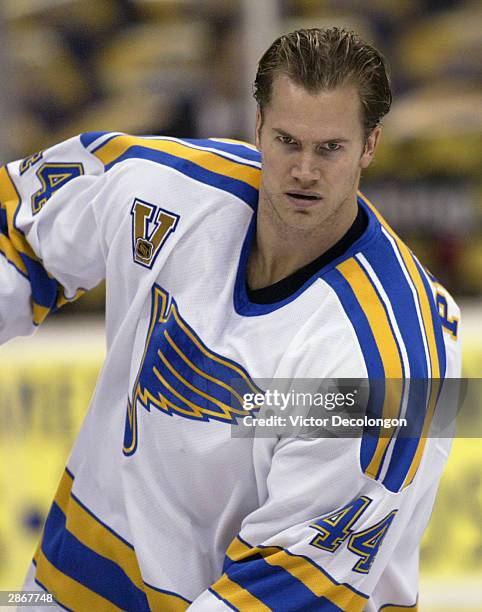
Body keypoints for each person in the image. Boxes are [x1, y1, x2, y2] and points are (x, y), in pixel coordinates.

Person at [1, 27, 461, 611]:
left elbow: (295, 585)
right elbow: (21, 231)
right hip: (70, 587)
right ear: (258, 129)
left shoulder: (391, 366)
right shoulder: (162, 188)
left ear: (370, 145)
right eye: (288, 141)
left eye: (330, 148)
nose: (304, 170)